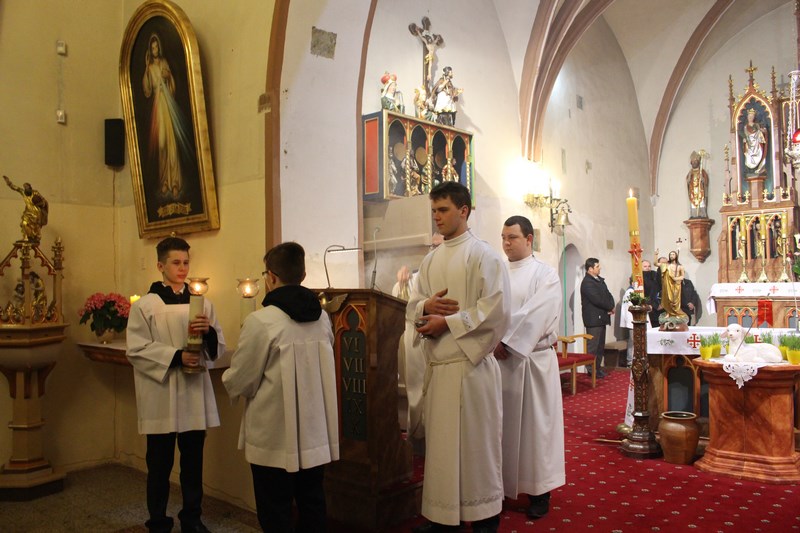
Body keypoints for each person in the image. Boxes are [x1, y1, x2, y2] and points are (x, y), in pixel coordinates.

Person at [408, 181, 509, 533]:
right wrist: (425, 307)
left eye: (443, 210)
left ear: (464, 210)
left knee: (477, 452)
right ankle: (443, 519)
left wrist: (446, 322)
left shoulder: (484, 255)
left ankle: (484, 520)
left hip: (471, 369)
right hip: (439, 369)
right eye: (433, 211)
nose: (436, 217)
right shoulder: (430, 259)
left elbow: (495, 310)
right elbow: (414, 303)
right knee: (442, 453)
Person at [222, 242, 338, 533]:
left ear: (271, 277)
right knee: (312, 502)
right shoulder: (322, 318)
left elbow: (243, 378)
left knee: (275, 508)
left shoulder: (261, 321)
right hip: (313, 430)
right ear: (303, 275)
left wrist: (228, 381)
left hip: (274, 432)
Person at [126, 236, 225, 533]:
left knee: (193, 463)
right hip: (162, 394)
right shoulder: (146, 306)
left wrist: (208, 333)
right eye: (176, 262)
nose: (182, 268)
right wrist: (176, 357)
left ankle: (192, 519)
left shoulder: (203, 303)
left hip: (193, 393)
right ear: (160, 266)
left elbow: (218, 346)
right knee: (159, 464)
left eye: (186, 262)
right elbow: (136, 349)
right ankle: (158, 521)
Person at [494, 215, 564, 519]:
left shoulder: (545, 274)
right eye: (503, 238)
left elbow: (537, 313)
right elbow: (488, 310)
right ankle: (498, 489)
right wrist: (493, 341)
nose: (506, 243)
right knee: (501, 429)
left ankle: (539, 493)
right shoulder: (496, 273)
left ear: (529, 239)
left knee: (536, 430)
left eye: (512, 237)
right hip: (498, 362)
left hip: (533, 361)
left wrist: (506, 340)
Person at [142, 33, 191, 200]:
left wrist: (168, 76)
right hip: (158, 105)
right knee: (162, 143)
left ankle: (175, 182)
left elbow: (172, 84)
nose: (155, 49)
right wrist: (145, 69)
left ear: (159, 47)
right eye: (152, 47)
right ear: (150, 50)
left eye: (156, 46)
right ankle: (164, 180)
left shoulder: (164, 62)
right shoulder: (150, 67)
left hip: (168, 104)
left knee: (171, 143)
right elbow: (147, 90)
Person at [580, 258, 615, 379]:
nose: (600, 268)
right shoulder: (587, 283)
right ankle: (591, 370)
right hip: (593, 319)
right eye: (597, 266)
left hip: (602, 317)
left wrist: (611, 305)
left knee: (600, 346)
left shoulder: (599, 280)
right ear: (590, 269)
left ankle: (597, 368)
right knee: (593, 346)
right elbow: (597, 299)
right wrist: (609, 307)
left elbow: (608, 294)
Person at [4, 176, 49, 242]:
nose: (25, 189)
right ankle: (25, 237)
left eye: (27, 187)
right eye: (24, 188)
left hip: (36, 213)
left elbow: (43, 200)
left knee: (36, 226)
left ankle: (37, 237)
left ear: (30, 187)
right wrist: (9, 183)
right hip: (27, 212)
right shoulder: (23, 193)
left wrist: (41, 203)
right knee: (24, 223)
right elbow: (16, 188)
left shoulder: (35, 192)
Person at [658, 250, 687, 328]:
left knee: (675, 300)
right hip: (668, 285)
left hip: (676, 285)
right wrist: (656, 255)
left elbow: (682, 276)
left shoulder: (680, 266)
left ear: (676, 256)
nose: (672, 256)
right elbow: (656, 264)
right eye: (670, 254)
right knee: (668, 299)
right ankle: (669, 313)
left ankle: (677, 313)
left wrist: (676, 278)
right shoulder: (667, 265)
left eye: (673, 254)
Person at [741, 107, 768, 178]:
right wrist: (745, 140)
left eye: (752, 117)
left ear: (754, 118)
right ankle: (750, 170)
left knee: (759, 153)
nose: (750, 118)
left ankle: (759, 169)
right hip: (749, 145)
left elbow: (761, 131)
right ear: (747, 117)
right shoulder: (745, 127)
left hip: (756, 144)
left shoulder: (756, 125)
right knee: (748, 157)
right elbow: (745, 135)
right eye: (749, 117)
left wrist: (763, 131)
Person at [686, 151, 709, 218]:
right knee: (693, 204)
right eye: (693, 161)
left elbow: (706, 181)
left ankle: (702, 215)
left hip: (700, 190)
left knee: (701, 202)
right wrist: (689, 179)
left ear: (698, 162)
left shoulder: (702, 171)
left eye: (695, 161)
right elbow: (687, 181)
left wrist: (703, 179)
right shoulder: (690, 172)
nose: (694, 163)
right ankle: (694, 215)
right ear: (691, 163)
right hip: (693, 191)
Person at [620, 276, 635, 367]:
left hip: (636, 320)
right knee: (632, 341)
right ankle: (630, 361)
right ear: (632, 282)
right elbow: (629, 307)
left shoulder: (635, 291)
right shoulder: (630, 292)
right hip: (632, 320)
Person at [642, 259, 660, 327]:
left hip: (657, 306)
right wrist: (652, 305)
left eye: (649, 266)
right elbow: (642, 294)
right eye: (645, 266)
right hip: (647, 306)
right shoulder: (639, 277)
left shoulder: (654, 275)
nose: (647, 268)